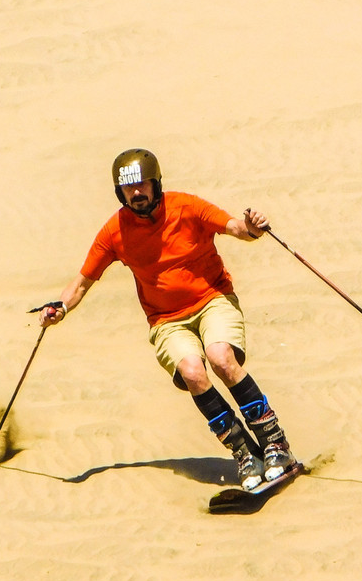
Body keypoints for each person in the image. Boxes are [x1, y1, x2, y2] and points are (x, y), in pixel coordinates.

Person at [39, 148, 295, 490]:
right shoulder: (114, 231)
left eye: (142, 184)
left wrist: (252, 227)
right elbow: (83, 281)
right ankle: (246, 453)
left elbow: (236, 228)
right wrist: (61, 308)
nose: (137, 193)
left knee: (221, 358)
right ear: (120, 192)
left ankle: (276, 444)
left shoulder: (187, 207)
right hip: (166, 320)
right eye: (128, 188)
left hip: (212, 299)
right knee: (192, 371)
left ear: (156, 183)